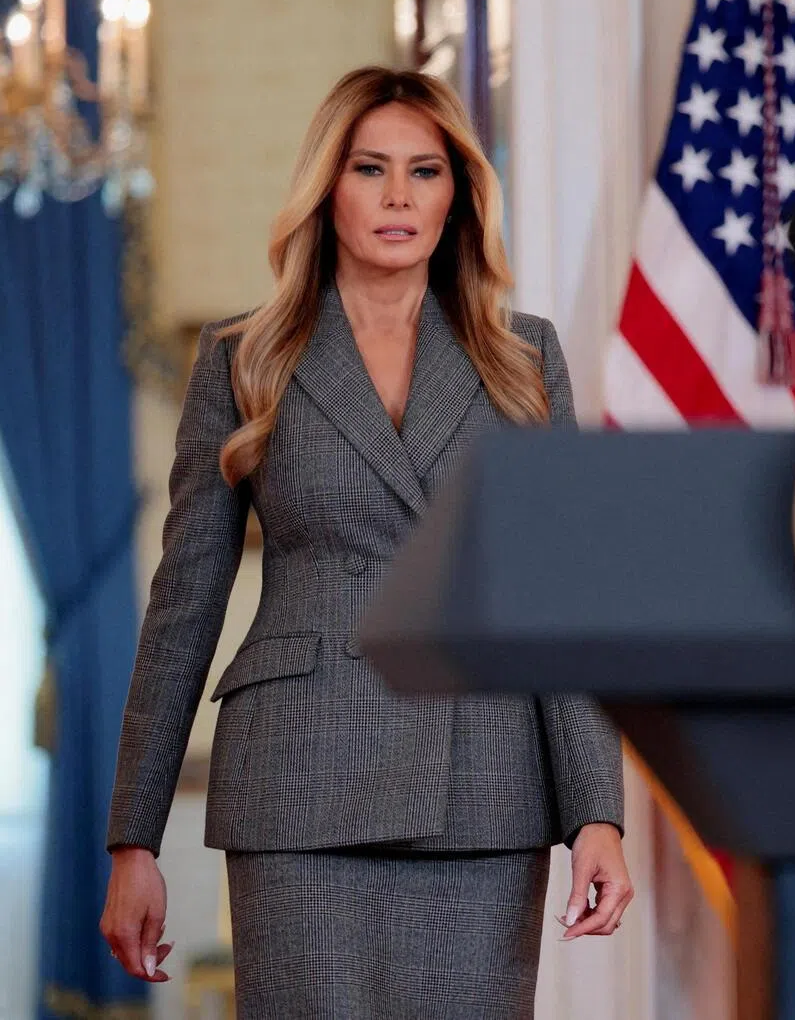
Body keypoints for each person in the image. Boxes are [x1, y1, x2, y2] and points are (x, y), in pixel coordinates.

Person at [100, 66, 632, 1018]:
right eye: (370, 169)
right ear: (325, 191)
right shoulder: (244, 357)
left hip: (484, 783)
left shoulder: (523, 356)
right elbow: (184, 605)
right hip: (301, 777)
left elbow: (561, 596)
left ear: (458, 194)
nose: (398, 196)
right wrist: (132, 840)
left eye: (425, 172)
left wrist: (598, 811)